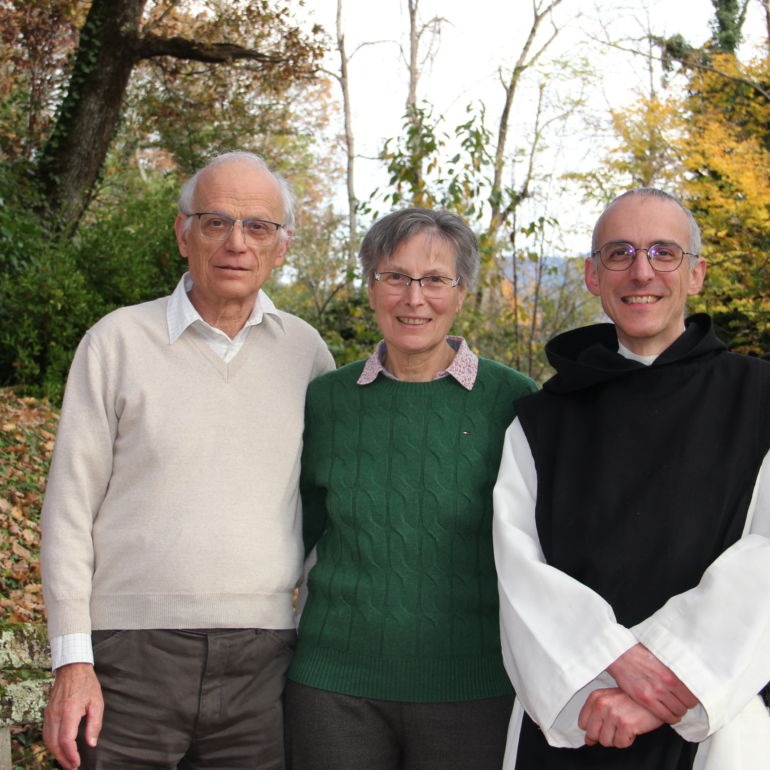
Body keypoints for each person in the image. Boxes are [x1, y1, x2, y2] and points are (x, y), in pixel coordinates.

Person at [40, 151, 335, 770]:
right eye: (215, 221)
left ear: (281, 247)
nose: (237, 242)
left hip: (265, 660)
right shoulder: (116, 341)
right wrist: (73, 661)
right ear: (182, 234)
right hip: (128, 657)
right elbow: (67, 511)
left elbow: (326, 505)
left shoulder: (306, 354)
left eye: (259, 226)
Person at [492, 187, 770, 770]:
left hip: (710, 715)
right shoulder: (542, 420)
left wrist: (661, 687)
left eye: (663, 252)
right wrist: (610, 661)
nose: (641, 271)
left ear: (696, 274)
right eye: (619, 253)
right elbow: (518, 568)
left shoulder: (759, 399)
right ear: (593, 276)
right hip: (580, 714)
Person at [282, 207, 537, 770]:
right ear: (371, 286)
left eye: (434, 280)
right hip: (333, 689)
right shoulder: (326, 400)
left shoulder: (514, 401)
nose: (413, 298)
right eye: (394, 277)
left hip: (474, 687)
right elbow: (291, 535)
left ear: (462, 290)